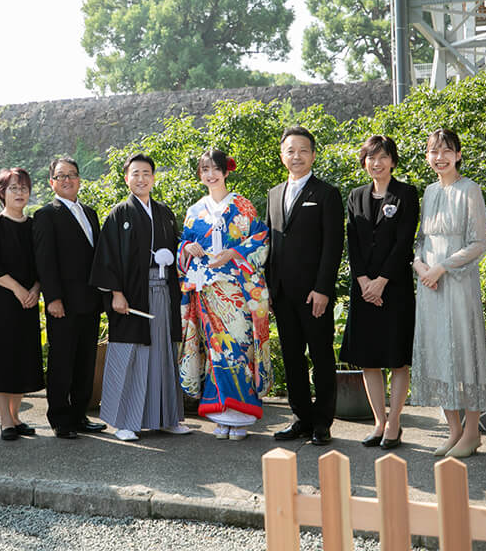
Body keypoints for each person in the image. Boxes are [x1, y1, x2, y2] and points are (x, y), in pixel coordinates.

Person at [89, 152, 191, 441]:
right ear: (126, 178)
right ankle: (125, 421)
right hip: (132, 297)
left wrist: (187, 250)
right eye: (135, 173)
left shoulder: (164, 213)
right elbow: (106, 258)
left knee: (163, 355)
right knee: (130, 356)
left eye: (146, 173)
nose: (141, 178)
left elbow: (178, 247)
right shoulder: (119, 214)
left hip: (163, 293)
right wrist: (116, 295)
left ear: (154, 178)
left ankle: (167, 417)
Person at [177, 148, 272, 441]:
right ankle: (220, 414)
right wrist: (187, 249)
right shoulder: (195, 212)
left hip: (238, 292)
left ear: (226, 171)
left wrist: (234, 251)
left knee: (239, 349)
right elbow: (184, 245)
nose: (210, 175)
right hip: (208, 292)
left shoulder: (242, 206)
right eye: (204, 170)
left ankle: (241, 416)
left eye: (215, 169)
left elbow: (261, 239)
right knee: (216, 350)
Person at [410, 129, 486, 458]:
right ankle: (454, 430)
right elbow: (420, 239)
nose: (440, 157)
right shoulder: (429, 192)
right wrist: (420, 266)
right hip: (429, 285)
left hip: (458, 283)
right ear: (428, 156)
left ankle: (473, 433)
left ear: (458, 154)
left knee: (464, 352)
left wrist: (441, 268)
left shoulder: (469, 189)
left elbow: (479, 242)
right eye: (434, 151)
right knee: (438, 353)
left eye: (447, 150)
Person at [339, 135, 419, 450]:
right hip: (363, 289)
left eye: (383, 156)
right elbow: (353, 243)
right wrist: (363, 282)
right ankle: (378, 422)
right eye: (371, 157)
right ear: (364, 162)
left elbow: (404, 243)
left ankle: (395, 422)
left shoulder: (406, 194)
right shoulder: (355, 196)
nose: (377, 163)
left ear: (393, 161)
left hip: (394, 287)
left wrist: (382, 280)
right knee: (369, 359)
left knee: (397, 359)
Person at [266, 126, 344, 445]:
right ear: (282, 155)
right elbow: (270, 245)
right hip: (282, 293)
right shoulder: (273, 194)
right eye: (290, 150)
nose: (296, 156)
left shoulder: (326, 194)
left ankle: (323, 422)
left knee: (321, 356)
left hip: (315, 293)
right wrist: (270, 290)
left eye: (303, 150)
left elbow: (333, 245)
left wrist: (323, 288)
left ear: (313, 154)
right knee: (292, 357)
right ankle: (300, 418)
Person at [33, 157, 106, 439]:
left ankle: (79, 414)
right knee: (62, 361)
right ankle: (60, 418)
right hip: (62, 303)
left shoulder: (90, 213)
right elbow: (45, 260)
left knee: (85, 362)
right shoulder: (46, 214)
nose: (67, 180)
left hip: (89, 301)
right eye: (60, 176)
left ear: (79, 179)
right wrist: (52, 298)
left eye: (72, 175)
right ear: (52, 182)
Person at [0, 167, 45, 441]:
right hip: (1, 303)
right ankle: (5, 420)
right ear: (2, 193)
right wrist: (18, 289)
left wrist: (36, 290)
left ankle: (16, 417)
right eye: (13, 188)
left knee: (22, 359)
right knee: (1, 360)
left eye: (24, 188)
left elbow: (43, 263)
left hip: (27, 302)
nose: (20, 193)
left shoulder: (34, 225)